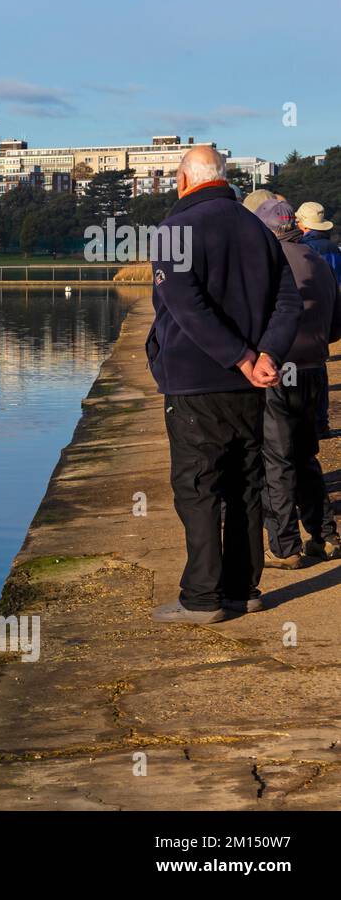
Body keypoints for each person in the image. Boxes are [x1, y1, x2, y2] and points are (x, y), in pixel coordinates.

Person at [147, 147, 302, 624]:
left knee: (197, 486)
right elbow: (288, 301)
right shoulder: (256, 226)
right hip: (250, 383)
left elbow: (185, 306)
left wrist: (240, 357)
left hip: (197, 380)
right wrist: (266, 356)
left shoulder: (175, 230)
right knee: (245, 483)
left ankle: (201, 597)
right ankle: (241, 588)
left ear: (185, 179)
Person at [253, 198, 341, 572]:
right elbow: (337, 325)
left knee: (277, 459)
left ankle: (285, 546)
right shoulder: (319, 262)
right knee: (306, 457)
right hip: (315, 371)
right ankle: (325, 536)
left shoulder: (267, 266)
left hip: (278, 369)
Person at [296, 201, 338, 436]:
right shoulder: (332, 247)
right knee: (320, 364)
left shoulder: (305, 247)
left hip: (310, 307)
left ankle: (310, 420)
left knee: (303, 367)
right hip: (332, 304)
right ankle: (322, 421)